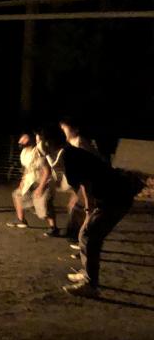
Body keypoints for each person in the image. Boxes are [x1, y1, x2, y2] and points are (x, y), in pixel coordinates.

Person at [36, 127, 142, 298]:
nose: (38, 144)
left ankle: (90, 284)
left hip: (114, 198)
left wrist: (88, 211)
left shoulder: (69, 156)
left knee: (88, 235)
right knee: (88, 235)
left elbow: (86, 185)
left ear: (48, 142)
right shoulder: (68, 153)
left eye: (39, 140)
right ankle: (87, 273)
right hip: (114, 196)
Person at [7, 133, 58, 236]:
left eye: (24, 138)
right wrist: (23, 180)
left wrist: (41, 187)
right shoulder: (24, 153)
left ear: (31, 140)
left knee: (44, 204)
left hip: (42, 181)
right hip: (30, 180)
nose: (21, 141)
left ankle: (53, 228)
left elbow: (47, 171)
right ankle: (21, 220)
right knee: (17, 195)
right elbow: (26, 168)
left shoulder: (38, 153)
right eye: (21, 138)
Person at [60, 118, 101, 244]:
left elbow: (87, 169)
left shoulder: (81, 143)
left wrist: (76, 193)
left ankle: (82, 239)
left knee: (80, 209)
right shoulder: (71, 142)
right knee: (76, 209)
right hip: (82, 182)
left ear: (75, 129)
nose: (62, 130)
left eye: (65, 128)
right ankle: (77, 236)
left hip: (90, 181)